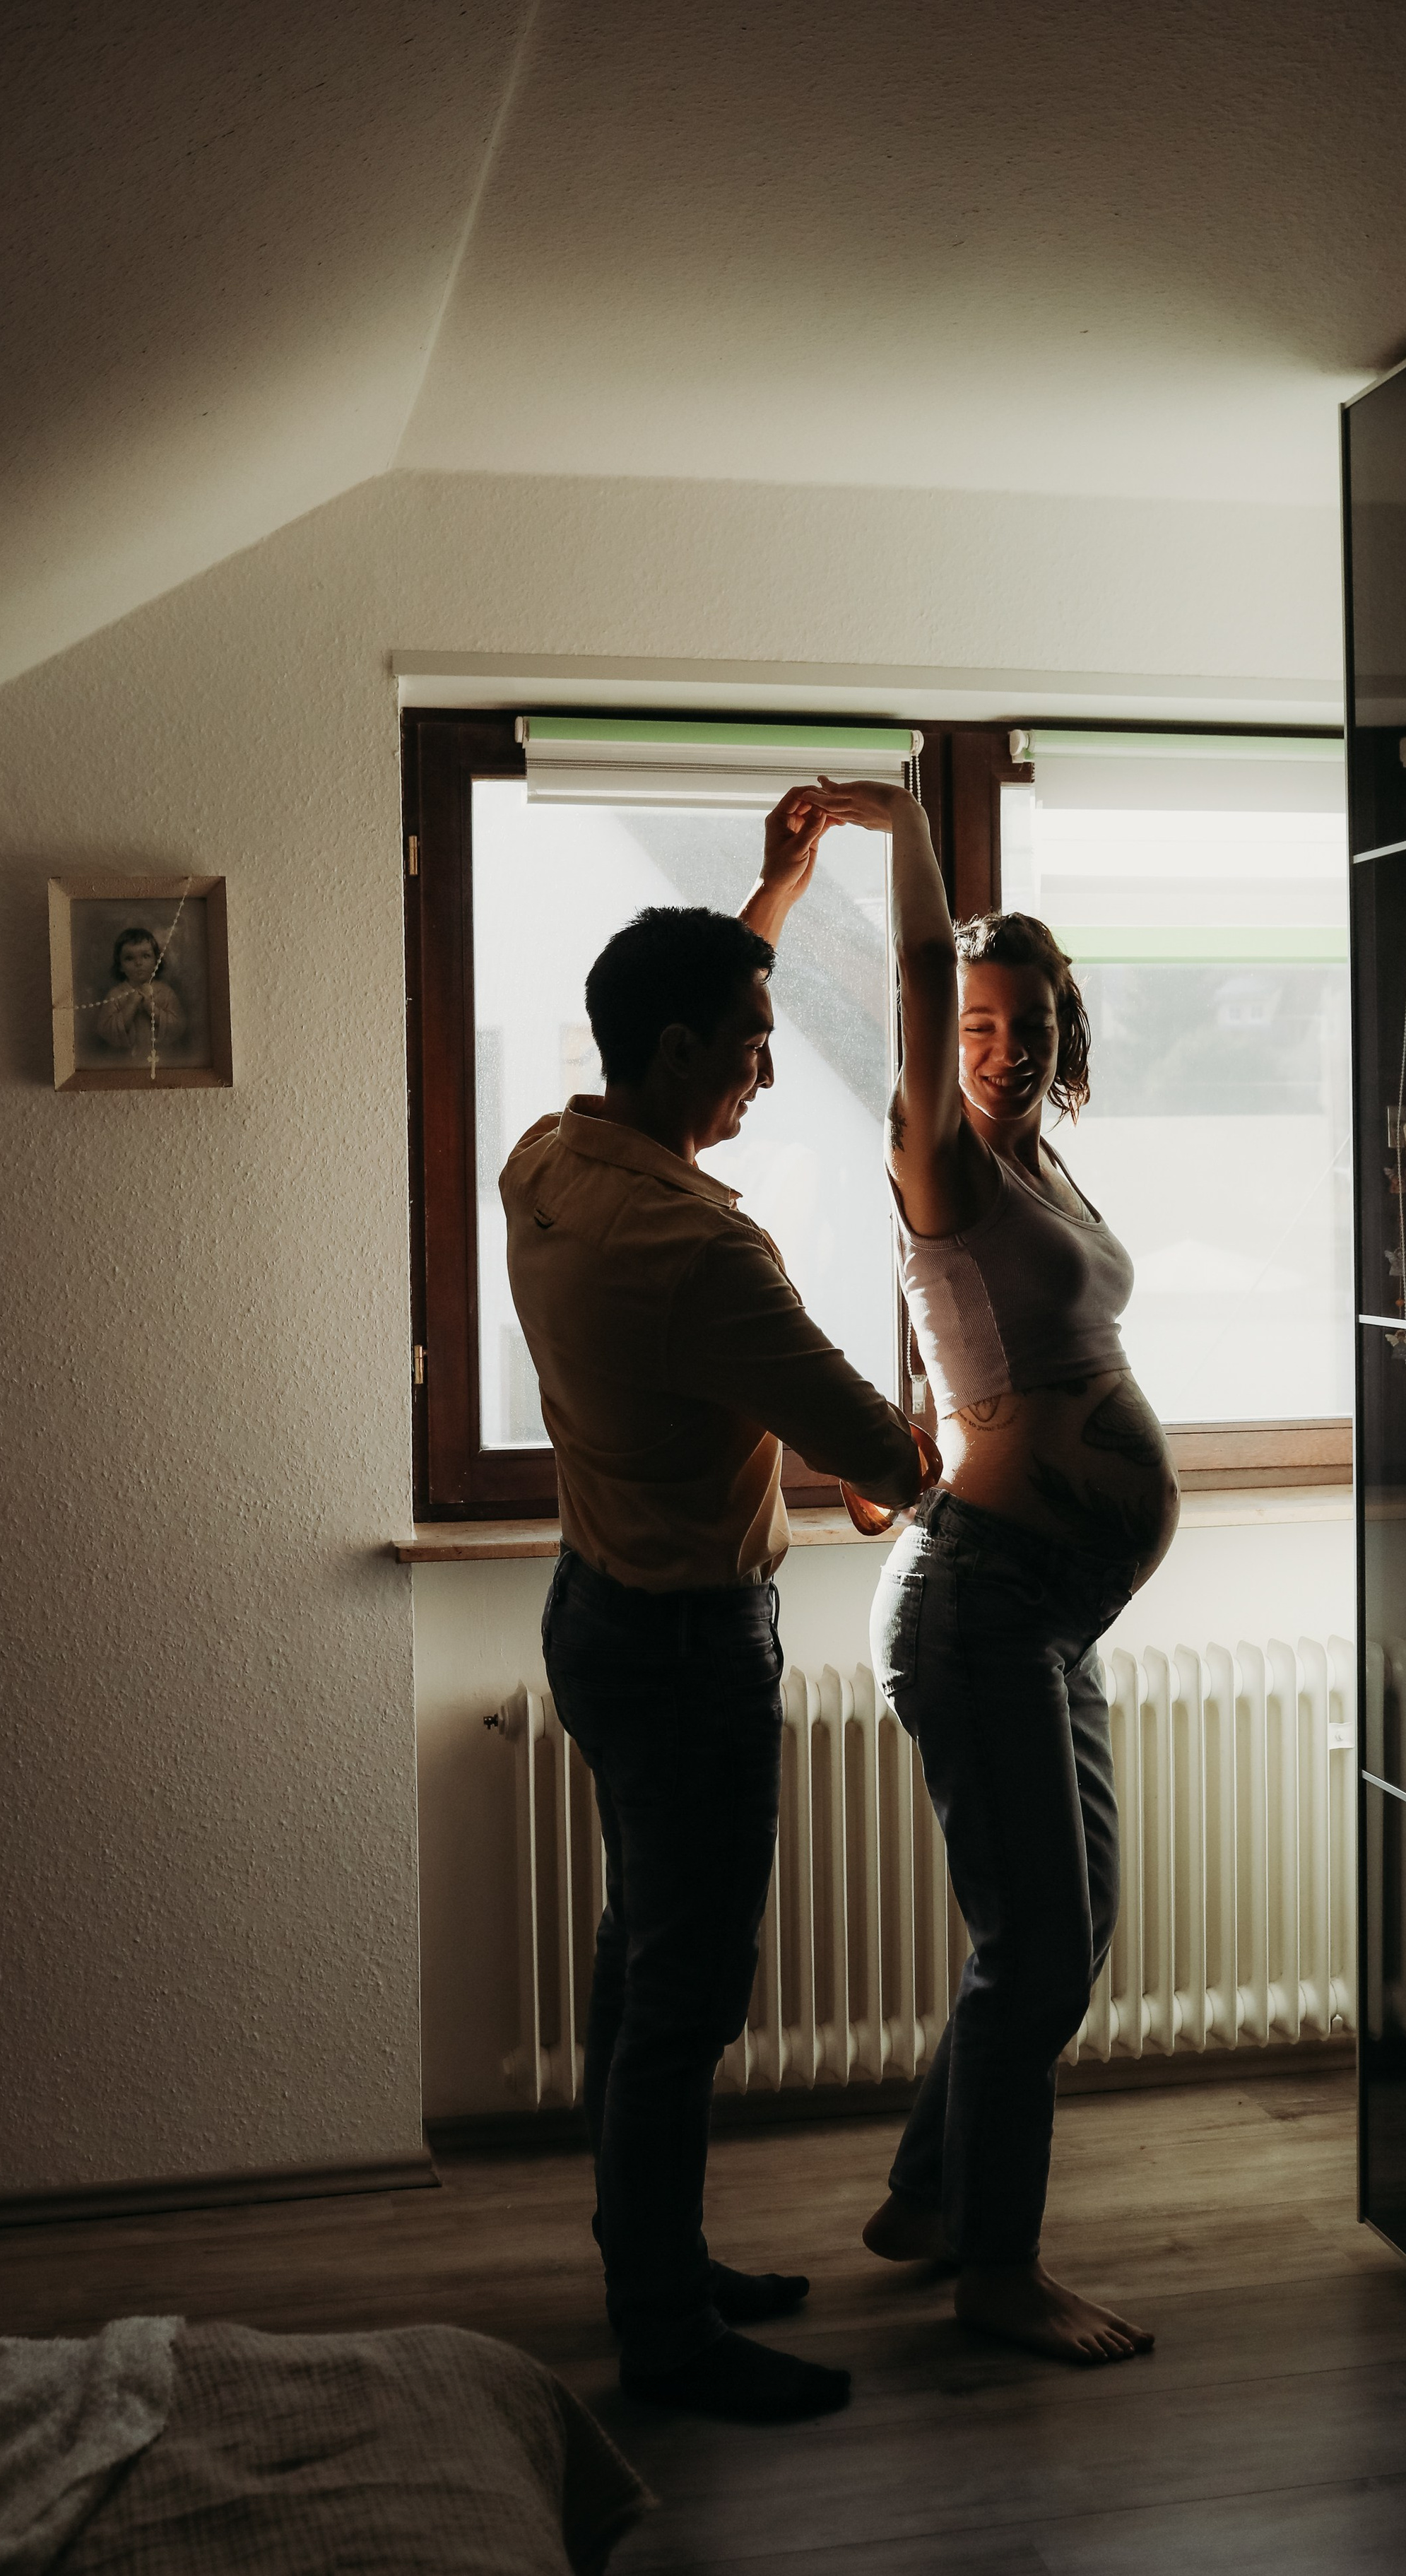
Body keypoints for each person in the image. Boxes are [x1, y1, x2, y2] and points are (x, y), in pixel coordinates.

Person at [502, 793, 939, 2424]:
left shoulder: (547, 1160)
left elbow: (679, 1017)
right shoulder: (701, 1251)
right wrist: (912, 1464)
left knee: (638, 1961)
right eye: (749, 1046)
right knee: (683, 2000)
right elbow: (879, 1447)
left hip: (592, 1615)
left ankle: (653, 2263)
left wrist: (770, 898)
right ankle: (667, 2337)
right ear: (682, 1054)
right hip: (687, 1648)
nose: (768, 1068)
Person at [812, 774, 1176, 2365]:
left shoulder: (1039, 1163)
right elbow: (909, 980)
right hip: (979, 1604)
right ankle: (994, 2266)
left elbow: (994, 1350)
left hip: (1050, 1603)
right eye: (974, 1019)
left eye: (1027, 1018)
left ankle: (923, 2189)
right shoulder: (936, 1150)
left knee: (1072, 1925)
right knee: (1034, 1944)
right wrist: (899, 811)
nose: (1002, 1041)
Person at [98, 926, 186, 1055]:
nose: (138, 963)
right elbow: (106, 1031)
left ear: (156, 961)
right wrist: (131, 1006)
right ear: (120, 966)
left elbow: (179, 1026)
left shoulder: (165, 992)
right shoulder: (116, 994)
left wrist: (152, 1009)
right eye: (129, 958)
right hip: (126, 1060)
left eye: (146, 956)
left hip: (162, 1058)